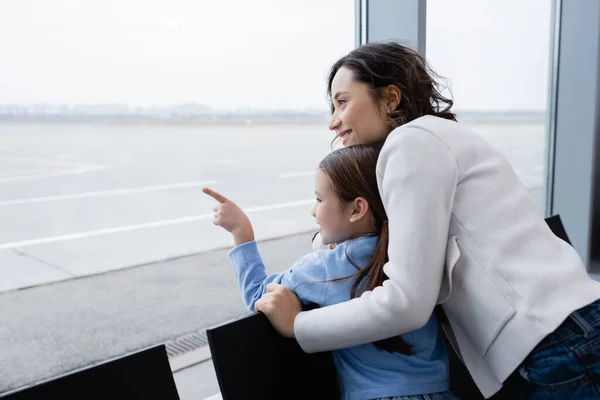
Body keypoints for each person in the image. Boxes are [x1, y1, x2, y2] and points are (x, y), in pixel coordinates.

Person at [250, 41, 600, 399]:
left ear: (389, 98)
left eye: (342, 102)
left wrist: (298, 325)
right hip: (571, 330)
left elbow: (406, 302)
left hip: (559, 341)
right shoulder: (437, 137)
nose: (333, 121)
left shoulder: (410, 144)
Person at [202, 144, 458, 400]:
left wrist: (241, 233)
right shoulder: (410, 251)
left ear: (357, 209)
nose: (313, 210)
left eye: (319, 199)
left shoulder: (326, 268)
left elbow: (260, 296)